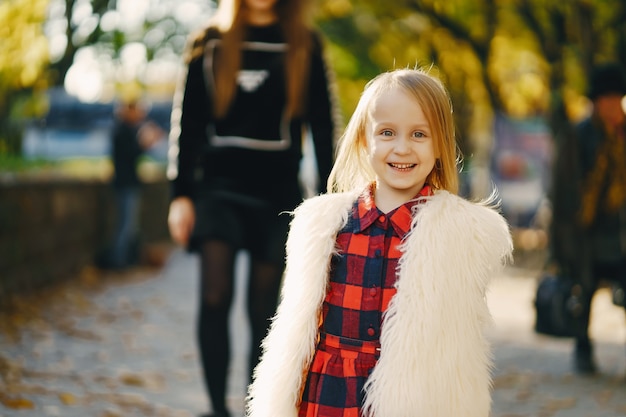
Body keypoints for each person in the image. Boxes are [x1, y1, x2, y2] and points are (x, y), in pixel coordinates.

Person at [246, 68, 513, 417]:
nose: (402, 148)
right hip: (329, 393)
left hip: (411, 400)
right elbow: (297, 328)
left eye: (419, 134)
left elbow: (457, 346)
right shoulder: (326, 227)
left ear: (440, 145)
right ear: (363, 140)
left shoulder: (461, 236)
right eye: (386, 132)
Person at [166, 0, 338, 415]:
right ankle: (215, 408)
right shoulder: (208, 43)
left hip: (277, 194)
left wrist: (331, 199)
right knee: (214, 295)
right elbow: (187, 123)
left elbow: (322, 127)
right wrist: (180, 195)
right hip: (217, 190)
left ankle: (254, 406)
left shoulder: (306, 45)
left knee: (262, 308)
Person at [549, 62, 626, 374]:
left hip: (619, 229)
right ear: (596, 102)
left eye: (617, 99)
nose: (613, 106)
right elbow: (563, 190)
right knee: (585, 289)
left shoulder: (622, 134)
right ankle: (583, 349)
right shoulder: (578, 135)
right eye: (607, 100)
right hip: (585, 230)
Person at [102, 99, 162, 269]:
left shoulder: (124, 129)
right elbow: (132, 154)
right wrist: (145, 142)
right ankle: (119, 261)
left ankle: (126, 259)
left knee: (129, 225)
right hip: (125, 183)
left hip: (127, 183)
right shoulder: (122, 130)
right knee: (125, 226)